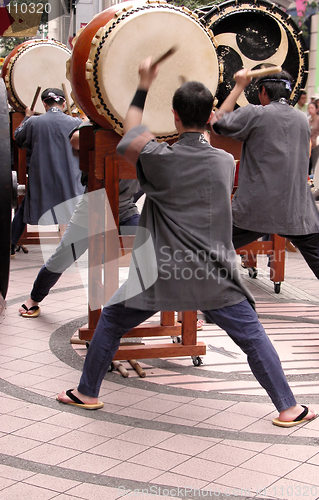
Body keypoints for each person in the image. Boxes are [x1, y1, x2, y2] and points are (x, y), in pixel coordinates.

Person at [56, 58, 316, 427]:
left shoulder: (159, 159)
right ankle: (288, 408)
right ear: (208, 114)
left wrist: (145, 82)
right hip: (216, 274)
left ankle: (87, 393)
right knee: (253, 336)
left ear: (174, 116)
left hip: (160, 273)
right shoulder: (225, 163)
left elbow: (131, 132)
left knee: (111, 320)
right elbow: (209, 135)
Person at [19, 123, 142, 318]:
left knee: (159, 250)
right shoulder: (100, 120)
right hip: (91, 208)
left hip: (125, 208)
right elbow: (75, 139)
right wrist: (113, 132)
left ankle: (179, 310)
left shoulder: (147, 129)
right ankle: (34, 298)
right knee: (61, 257)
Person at [211, 69, 319, 279]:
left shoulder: (255, 113)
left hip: (256, 210)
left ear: (262, 92)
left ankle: (203, 302)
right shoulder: (301, 119)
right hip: (297, 211)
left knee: (207, 248)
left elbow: (218, 124)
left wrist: (239, 85)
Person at [12, 88, 85, 256]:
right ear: (64, 103)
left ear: (44, 104)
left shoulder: (34, 122)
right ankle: (74, 249)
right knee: (77, 210)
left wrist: (27, 116)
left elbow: (18, 137)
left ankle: (10, 243)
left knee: (26, 207)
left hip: (42, 177)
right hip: (69, 178)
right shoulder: (75, 123)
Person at [308, 101, 319, 175]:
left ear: (316, 109)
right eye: (309, 108)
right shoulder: (307, 120)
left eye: (312, 108)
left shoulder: (318, 119)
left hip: (316, 146)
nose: (310, 110)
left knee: (315, 166)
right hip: (308, 145)